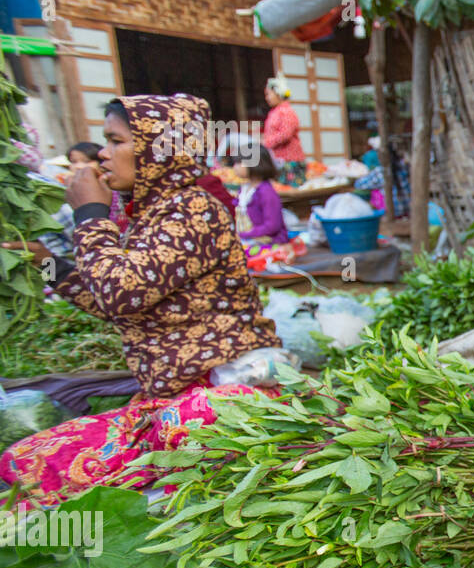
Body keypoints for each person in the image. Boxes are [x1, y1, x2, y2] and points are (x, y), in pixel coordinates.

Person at [0, 93, 283, 506]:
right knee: (24, 463)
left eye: (116, 141)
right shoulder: (148, 214)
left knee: (183, 435)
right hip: (164, 397)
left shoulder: (195, 209)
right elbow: (115, 300)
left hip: (225, 387)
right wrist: (52, 269)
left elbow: (122, 291)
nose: (102, 154)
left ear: (158, 150)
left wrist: (90, 217)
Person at [235, 146, 288, 245]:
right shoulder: (243, 189)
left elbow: (273, 226)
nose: (235, 167)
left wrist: (246, 234)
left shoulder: (266, 192)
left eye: (239, 163)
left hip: (269, 241)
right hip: (248, 238)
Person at [262, 75, 306, 187]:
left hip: (290, 161)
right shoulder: (275, 111)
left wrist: (266, 143)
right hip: (279, 160)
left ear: (278, 93)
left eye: (269, 94)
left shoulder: (286, 112)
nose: (267, 98)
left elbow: (285, 134)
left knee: (292, 192)